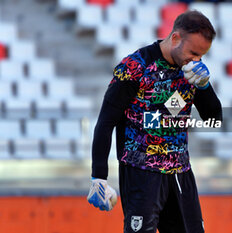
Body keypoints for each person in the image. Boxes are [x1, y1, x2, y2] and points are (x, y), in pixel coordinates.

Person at [87, 10, 222, 233]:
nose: (196, 60)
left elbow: (213, 118)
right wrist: (98, 177)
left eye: (201, 55)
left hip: (180, 172)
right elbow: (106, 121)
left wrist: (204, 87)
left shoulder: (191, 72)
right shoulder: (135, 67)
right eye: (193, 53)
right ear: (176, 38)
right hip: (141, 172)